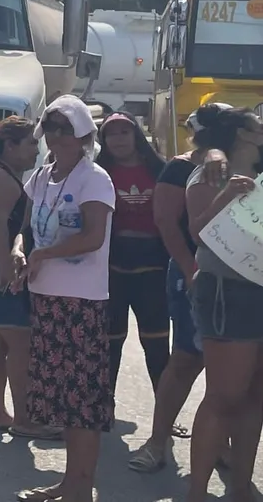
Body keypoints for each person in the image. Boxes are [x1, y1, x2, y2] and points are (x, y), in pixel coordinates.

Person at [10, 94, 115, 502]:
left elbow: (93, 237)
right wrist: (20, 250)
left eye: (65, 128)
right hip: (47, 298)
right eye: (50, 127)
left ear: (83, 133)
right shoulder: (41, 176)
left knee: (82, 401)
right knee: (63, 400)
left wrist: (44, 254)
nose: (55, 136)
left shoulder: (95, 178)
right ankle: (71, 483)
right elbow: (25, 229)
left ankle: (80, 487)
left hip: (81, 302)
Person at [129, 103, 232, 473]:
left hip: (239, 280)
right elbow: (166, 222)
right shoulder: (181, 168)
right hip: (194, 271)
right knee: (187, 359)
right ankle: (158, 442)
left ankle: (219, 443)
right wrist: (190, 270)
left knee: (231, 368)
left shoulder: (244, 166)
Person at [183, 107, 263, 502]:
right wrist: (228, 193)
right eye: (258, 125)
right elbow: (198, 232)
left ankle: (240, 487)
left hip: (257, 288)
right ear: (243, 134)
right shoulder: (211, 173)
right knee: (224, 396)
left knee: (255, 395)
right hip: (227, 292)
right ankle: (197, 493)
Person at [0, 115, 56, 438]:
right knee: (21, 345)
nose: (36, 150)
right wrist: (6, 267)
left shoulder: (1, 174)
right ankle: (24, 418)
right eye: (31, 143)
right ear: (11, 146)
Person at [95, 113, 169, 399]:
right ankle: (103, 407)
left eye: (124, 132)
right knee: (109, 343)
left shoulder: (161, 170)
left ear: (136, 135)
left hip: (154, 271)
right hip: (111, 270)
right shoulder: (98, 173)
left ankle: (165, 410)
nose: (118, 139)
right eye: (111, 134)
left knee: (157, 344)